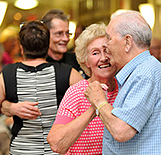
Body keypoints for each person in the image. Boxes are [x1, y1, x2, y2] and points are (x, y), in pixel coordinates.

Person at [0, 21, 83, 154]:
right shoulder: (67, 72)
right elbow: (90, 103)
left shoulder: (8, 73)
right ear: (47, 45)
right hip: (57, 149)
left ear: (21, 48)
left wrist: (10, 107)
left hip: (22, 149)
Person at [84, 10, 161, 154]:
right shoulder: (142, 70)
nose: (105, 45)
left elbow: (121, 131)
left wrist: (99, 101)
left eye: (109, 38)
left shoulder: (144, 74)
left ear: (127, 42)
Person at [47, 23, 118, 154]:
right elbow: (56, 143)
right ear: (86, 61)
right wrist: (95, 105)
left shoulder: (125, 88)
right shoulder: (77, 92)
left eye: (107, 50)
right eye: (95, 53)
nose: (103, 58)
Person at [42, 9, 88, 79]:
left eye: (67, 33)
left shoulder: (77, 60)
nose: (66, 39)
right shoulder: (41, 64)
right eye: (59, 34)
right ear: (45, 34)